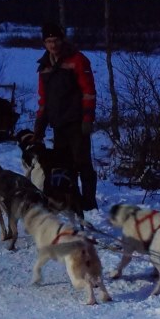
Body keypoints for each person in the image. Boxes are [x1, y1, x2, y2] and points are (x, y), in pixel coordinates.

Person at [32, 22, 98, 212]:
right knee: (63, 164)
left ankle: (89, 204)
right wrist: (39, 127)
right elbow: (43, 99)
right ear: (44, 43)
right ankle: (70, 199)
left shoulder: (77, 60)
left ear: (62, 40)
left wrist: (87, 118)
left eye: (55, 40)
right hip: (58, 124)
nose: (52, 45)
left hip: (77, 122)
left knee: (82, 162)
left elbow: (89, 91)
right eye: (48, 41)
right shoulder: (44, 66)